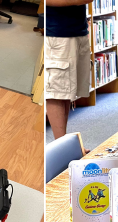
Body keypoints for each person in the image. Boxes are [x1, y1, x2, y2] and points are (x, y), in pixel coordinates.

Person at [45, 0, 93, 140]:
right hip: (58, 34)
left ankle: (64, 145)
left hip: (78, 30)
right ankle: (61, 149)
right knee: (57, 93)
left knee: (65, 92)